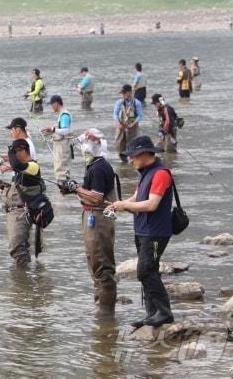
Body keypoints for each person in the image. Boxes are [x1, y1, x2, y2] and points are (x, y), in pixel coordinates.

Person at [106, 135, 175, 328]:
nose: (130, 160)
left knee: (145, 271)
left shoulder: (161, 173)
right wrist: (121, 204)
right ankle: (152, 314)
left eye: (133, 156)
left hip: (156, 233)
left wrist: (124, 205)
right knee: (149, 271)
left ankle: (164, 312)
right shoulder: (145, 172)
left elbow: (152, 204)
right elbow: (137, 197)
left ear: (144, 154)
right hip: (143, 230)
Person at [60, 128, 118, 318]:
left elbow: (97, 197)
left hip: (100, 218)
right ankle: (99, 303)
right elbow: (89, 191)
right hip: (91, 217)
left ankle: (106, 312)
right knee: (93, 260)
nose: (84, 147)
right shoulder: (94, 166)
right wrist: (72, 190)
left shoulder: (100, 166)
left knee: (101, 262)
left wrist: (76, 187)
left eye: (87, 142)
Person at [0, 139, 47, 268]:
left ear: (23, 150)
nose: (14, 155)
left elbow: (17, 165)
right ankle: (24, 278)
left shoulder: (33, 166)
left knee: (17, 247)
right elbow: (20, 188)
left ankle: (22, 279)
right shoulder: (23, 170)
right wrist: (4, 187)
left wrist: (10, 153)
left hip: (22, 214)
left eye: (16, 151)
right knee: (20, 247)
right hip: (15, 213)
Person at [42, 95, 73, 184]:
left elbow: (66, 131)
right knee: (60, 168)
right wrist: (50, 131)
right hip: (60, 145)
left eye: (51, 104)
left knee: (61, 170)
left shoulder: (64, 115)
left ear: (56, 103)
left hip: (63, 147)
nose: (51, 107)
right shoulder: (61, 114)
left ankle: (64, 188)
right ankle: (64, 189)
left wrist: (53, 129)